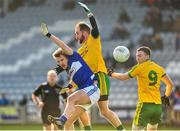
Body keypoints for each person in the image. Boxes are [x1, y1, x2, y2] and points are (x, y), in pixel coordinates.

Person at [55, 2, 125, 130]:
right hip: (88, 82)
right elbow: (74, 69)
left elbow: (95, 28)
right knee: (76, 109)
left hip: (100, 77)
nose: (75, 36)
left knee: (104, 111)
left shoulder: (93, 40)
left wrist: (89, 13)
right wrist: (63, 77)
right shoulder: (80, 51)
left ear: (84, 33)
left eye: (77, 33)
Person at [40, 22, 100, 130]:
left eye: (62, 59)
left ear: (67, 56)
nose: (60, 62)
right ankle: (63, 121)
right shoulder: (69, 69)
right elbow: (74, 80)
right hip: (85, 92)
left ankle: (61, 120)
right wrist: (68, 87)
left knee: (71, 99)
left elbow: (62, 45)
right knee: (68, 123)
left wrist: (48, 35)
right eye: (58, 61)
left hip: (92, 89)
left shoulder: (73, 56)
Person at [107, 46, 174, 130]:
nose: (137, 57)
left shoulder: (139, 67)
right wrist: (166, 96)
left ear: (147, 56)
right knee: (152, 129)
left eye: (140, 55)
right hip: (157, 106)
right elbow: (170, 84)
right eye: (137, 55)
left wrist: (111, 73)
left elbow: (123, 77)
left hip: (145, 105)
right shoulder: (159, 68)